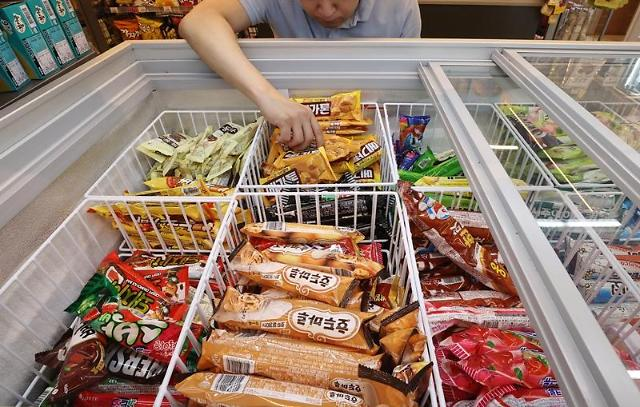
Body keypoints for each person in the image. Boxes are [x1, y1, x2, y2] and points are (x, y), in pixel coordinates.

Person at [180, 0, 421, 150]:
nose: (326, 10)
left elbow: (406, 90)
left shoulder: (401, 7)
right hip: (294, 130)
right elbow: (198, 21)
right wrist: (268, 97)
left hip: (371, 131)